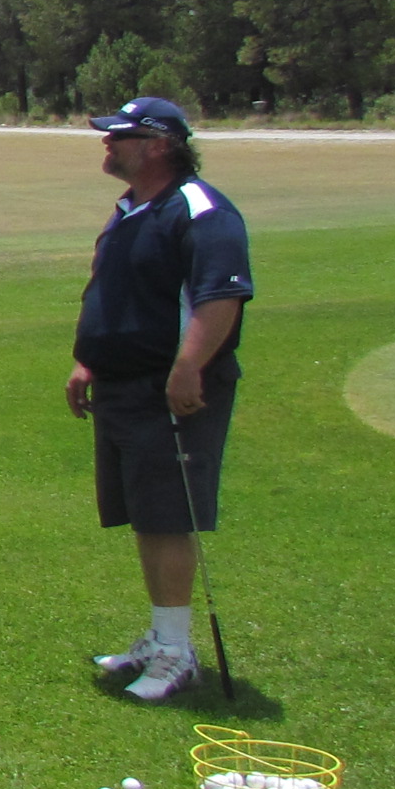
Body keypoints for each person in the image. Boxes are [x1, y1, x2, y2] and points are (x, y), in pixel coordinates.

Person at [66, 96, 255, 703]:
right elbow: (114, 295)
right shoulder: (129, 210)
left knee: (169, 516)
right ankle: (161, 635)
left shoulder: (201, 211)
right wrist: (89, 361)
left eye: (119, 135)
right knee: (146, 514)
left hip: (171, 391)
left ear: (158, 145)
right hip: (121, 387)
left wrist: (188, 368)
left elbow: (220, 298)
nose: (107, 142)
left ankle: (176, 652)